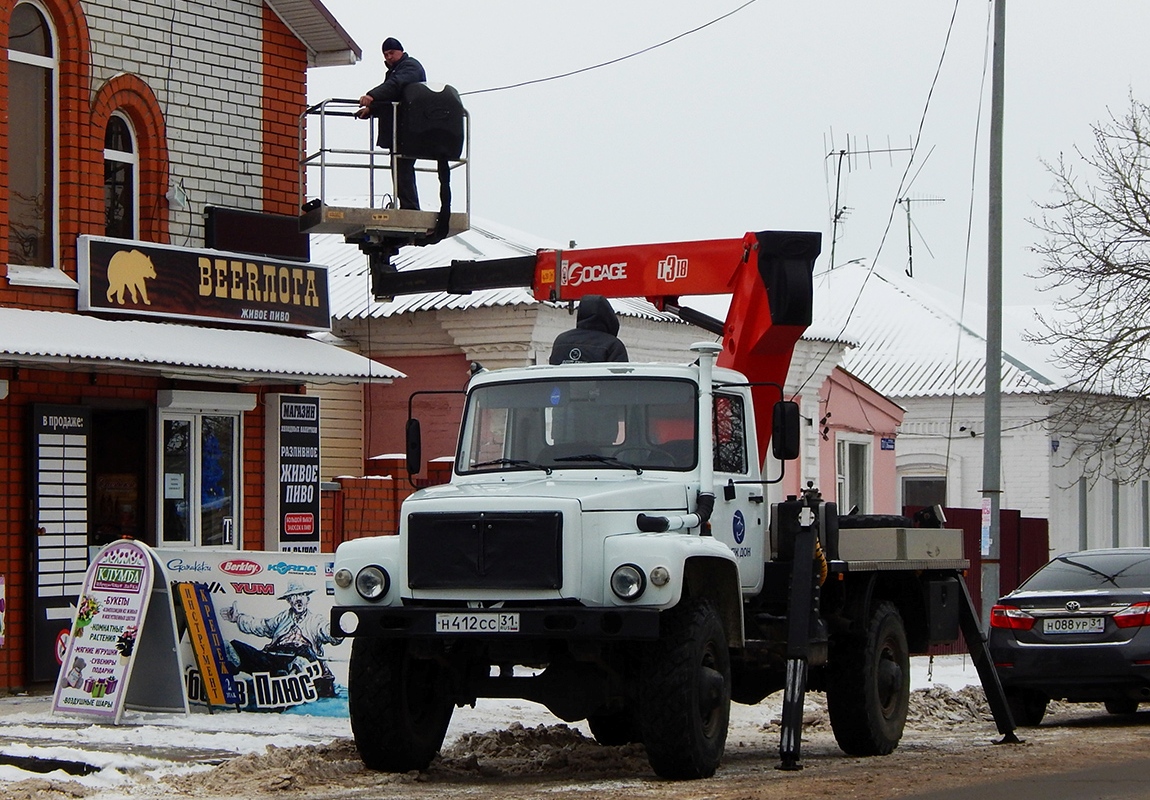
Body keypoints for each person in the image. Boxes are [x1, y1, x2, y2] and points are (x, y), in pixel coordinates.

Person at [220, 582, 344, 698]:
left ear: (307, 599)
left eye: (301, 595)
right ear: (289, 600)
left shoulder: (316, 620)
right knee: (237, 646)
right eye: (294, 596)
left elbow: (326, 630)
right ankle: (233, 664)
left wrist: (338, 631)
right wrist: (238, 618)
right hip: (275, 657)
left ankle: (290, 675)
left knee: (301, 656)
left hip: (303, 658)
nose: (298, 599)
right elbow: (263, 626)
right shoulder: (282, 618)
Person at [356, 37, 426, 210]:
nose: (388, 57)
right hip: (401, 130)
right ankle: (408, 206)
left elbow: (395, 86)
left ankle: (410, 207)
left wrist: (372, 96)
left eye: (391, 53)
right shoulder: (396, 71)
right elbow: (392, 96)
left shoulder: (410, 67)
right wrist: (372, 109)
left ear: (401, 51)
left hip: (409, 129)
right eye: (385, 54)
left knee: (403, 167)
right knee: (399, 167)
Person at [549, 295, 629, 364]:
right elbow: (620, 379)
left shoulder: (561, 341)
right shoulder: (613, 346)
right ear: (608, 317)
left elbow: (551, 376)